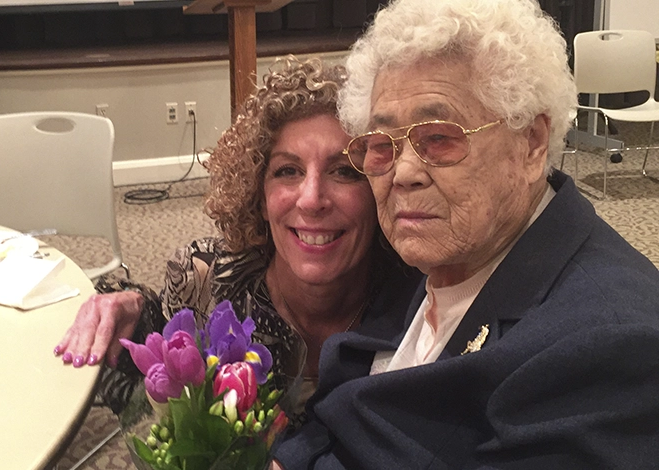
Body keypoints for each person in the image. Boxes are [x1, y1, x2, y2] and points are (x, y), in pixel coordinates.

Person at [273, 0, 659, 468]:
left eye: (439, 138)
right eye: (382, 144)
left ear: (533, 142)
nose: (403, 173)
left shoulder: (609, 346)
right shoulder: (440, 251)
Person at [54, 57, 422, 417]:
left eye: (343, 171)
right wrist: (130, 309)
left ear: (378, 191)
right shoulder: (206, 279)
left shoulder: (420, 307)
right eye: (288, 171)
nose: (311, 199)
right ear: (258, 196)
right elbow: (161, 351)